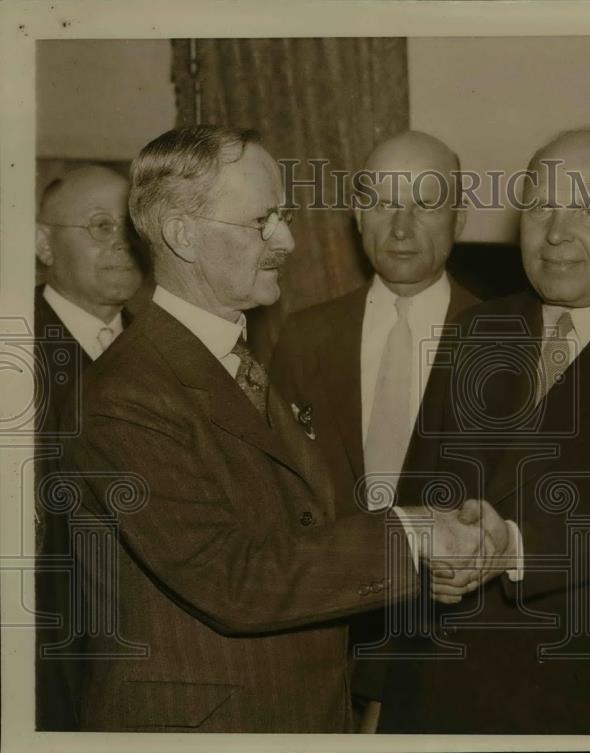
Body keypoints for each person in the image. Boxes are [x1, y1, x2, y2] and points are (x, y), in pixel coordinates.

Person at [56, 125, 509, 733]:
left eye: (284, 215)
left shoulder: (235, 361)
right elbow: (232, 578)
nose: (288, 239)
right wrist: (415, 534)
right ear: (182, 234)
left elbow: (298, 530)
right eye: (262, 221)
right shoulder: (126, 394)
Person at [376, 128, 590, 734]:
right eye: (540, 207)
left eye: (588, 210)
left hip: (588, 699)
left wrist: (511, 547)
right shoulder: (475, 330)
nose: (556, 233)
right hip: (440, 692)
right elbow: (416, 500)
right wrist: (380, 686)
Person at [269, 130, 479, 727]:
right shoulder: (303, 336)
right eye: (384, 200)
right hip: (325, 639)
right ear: (358, 214)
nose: (402, 224)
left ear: (459, 218)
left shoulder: (505, 339)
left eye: (427, 203)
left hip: (449, 645)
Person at [33, 165, 143, 730]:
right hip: (46, 648)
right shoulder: (17, 345)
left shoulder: (163, 347)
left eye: (130, 227)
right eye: (100, 226)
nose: (121, 245)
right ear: (43, 243)